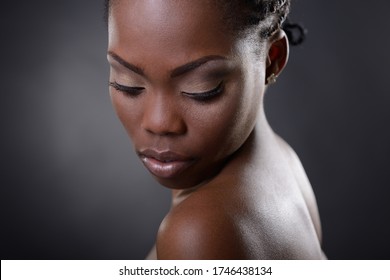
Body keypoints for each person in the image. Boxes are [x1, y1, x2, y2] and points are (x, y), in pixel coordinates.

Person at [105, 0, 325, 259]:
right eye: (127, 84)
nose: (159, 122)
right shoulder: (281, 160)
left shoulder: (201, 232)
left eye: (201, 89)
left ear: (271, 59)